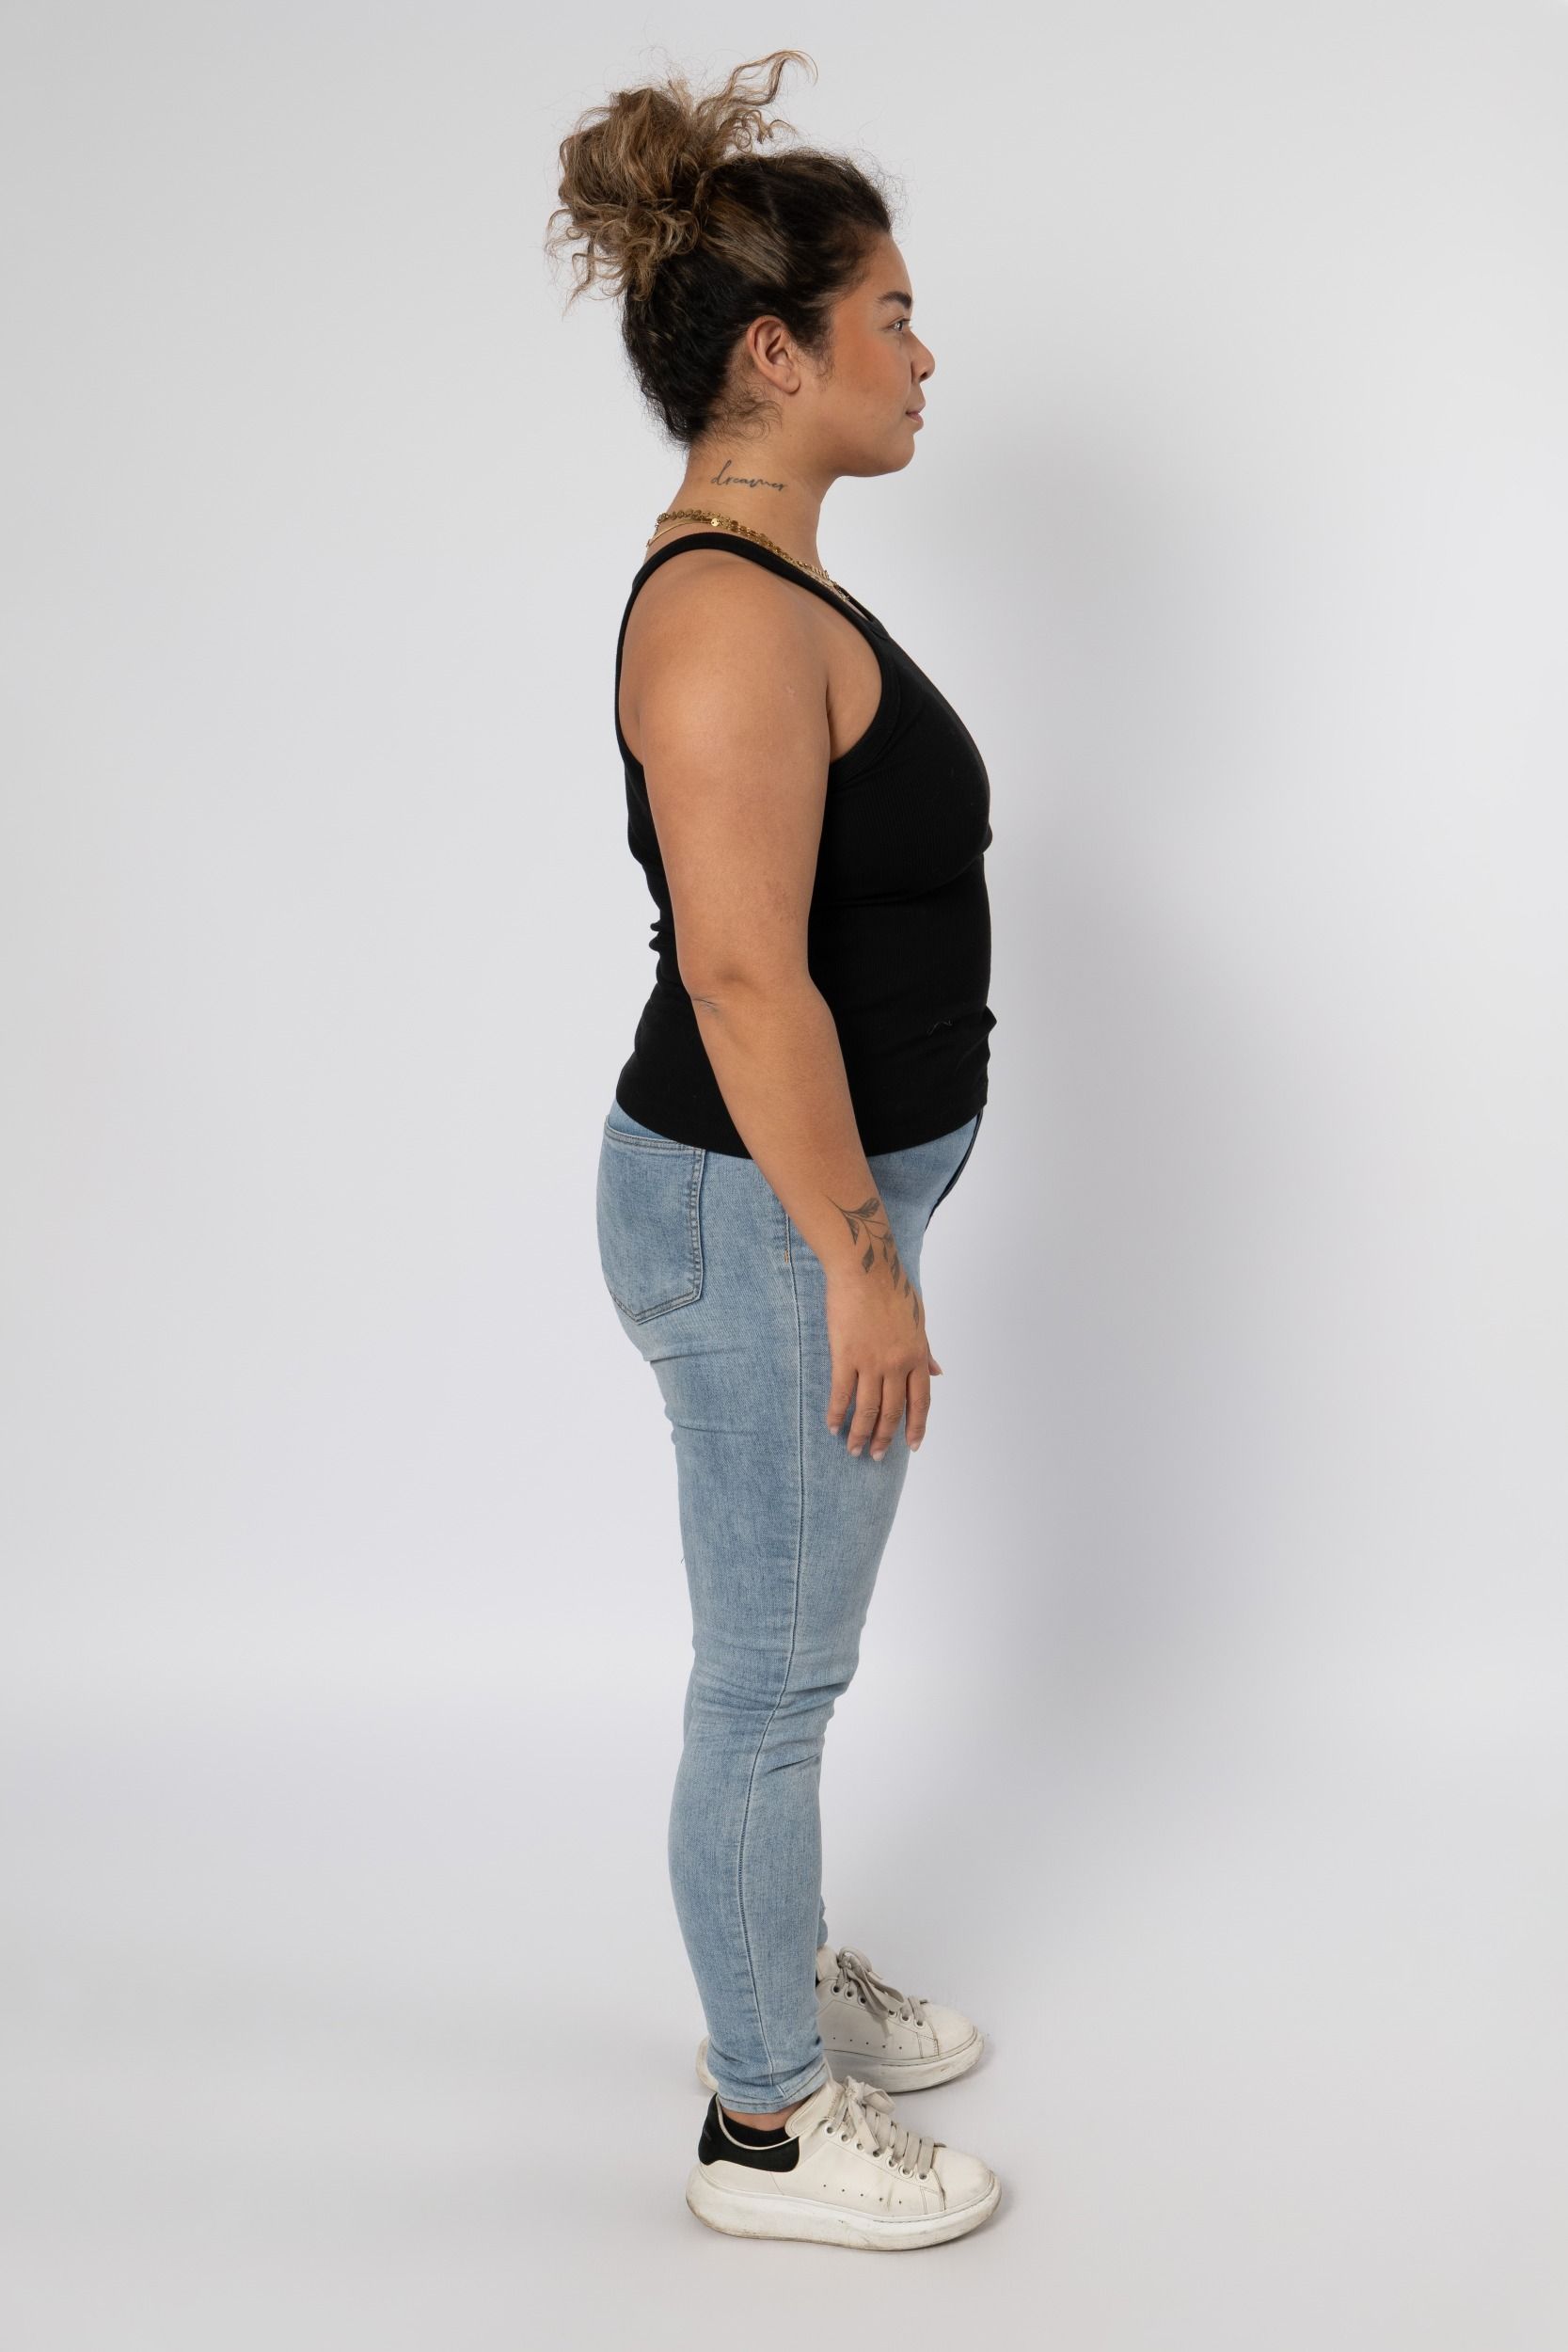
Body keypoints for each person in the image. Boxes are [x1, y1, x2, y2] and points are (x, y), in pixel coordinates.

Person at [547, 50, 1002, 2250]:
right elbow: (745, 978)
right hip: (761, 1213)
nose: (922, 353)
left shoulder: (766, 584)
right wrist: (859, 1259)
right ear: (773, 352)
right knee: (773, 1677)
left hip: (786, 1206)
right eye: (889, 313)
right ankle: (764, 2121)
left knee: (781, 1662)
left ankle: (772, 1946)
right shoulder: (730, 612)